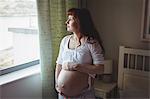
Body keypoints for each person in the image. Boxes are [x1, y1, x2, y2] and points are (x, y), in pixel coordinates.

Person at [55, 8, 104, 99]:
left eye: (70, 19)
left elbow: (100, 69)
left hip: (83, 95)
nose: (66, 22)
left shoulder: (92, 43)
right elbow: (59, 64)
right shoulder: (65, 40)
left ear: (79, 22)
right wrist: (57, 85)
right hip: (62, 95)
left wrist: (76, 66)